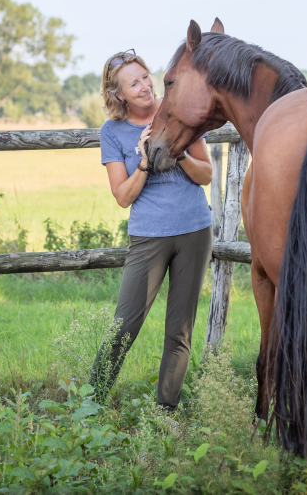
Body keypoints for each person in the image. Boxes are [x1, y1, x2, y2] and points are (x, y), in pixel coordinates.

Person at [91, 49, 214, 410]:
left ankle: (166, 412)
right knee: (123, 327)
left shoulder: (176, 109)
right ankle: (89, 406)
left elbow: (206, 174)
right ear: (119, 95)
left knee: (180, 331)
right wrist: (144, 162)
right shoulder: (113, 132)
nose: (145, 86)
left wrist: (179, 154)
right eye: (134, 83)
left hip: (194, 231)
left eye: (146, 76)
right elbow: (122, 197)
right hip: (148, 237)